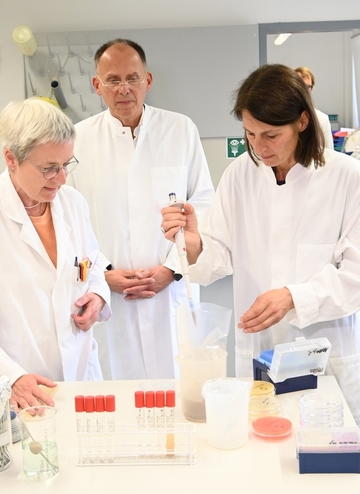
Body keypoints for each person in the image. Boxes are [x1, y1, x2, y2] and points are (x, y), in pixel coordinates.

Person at [161, 64, 360, 425]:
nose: (258, 146)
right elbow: (217, 254)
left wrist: (293, 297)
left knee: (327, 461)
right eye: (249, 133)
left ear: (302, 122)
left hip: (325, 351)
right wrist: (195, 244)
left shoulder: (347, 177)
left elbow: (355, 275)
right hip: (260, 347)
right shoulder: (240, 174)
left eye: (270, 135)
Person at [69, 39, 214, 380]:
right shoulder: (78, 139)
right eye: (113, 80)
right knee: (115, 392)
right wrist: (102, 274)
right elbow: (68, 218)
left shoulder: (180, 130)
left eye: (132, 78)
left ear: (147, 80)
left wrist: (171, 268)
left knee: (180, 391)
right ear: (96, 85)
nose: (124, 89)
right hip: (108, 293)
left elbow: (204, 204)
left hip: (171, 291)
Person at [0, 98, 111, 411]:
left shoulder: (72, 203)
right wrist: (11, 377)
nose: (62, 179)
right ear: (11, 158)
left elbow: (93, 264)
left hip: (81, 380)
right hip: (20, 391)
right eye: (49, 168)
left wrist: (99, 296)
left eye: (66, 165)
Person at [295, 66, 334, 149]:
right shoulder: (280, 118)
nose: (303, 90)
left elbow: (329, 154)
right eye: (299, 85)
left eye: (307, 87)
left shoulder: (322, 119)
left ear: (311, 89)